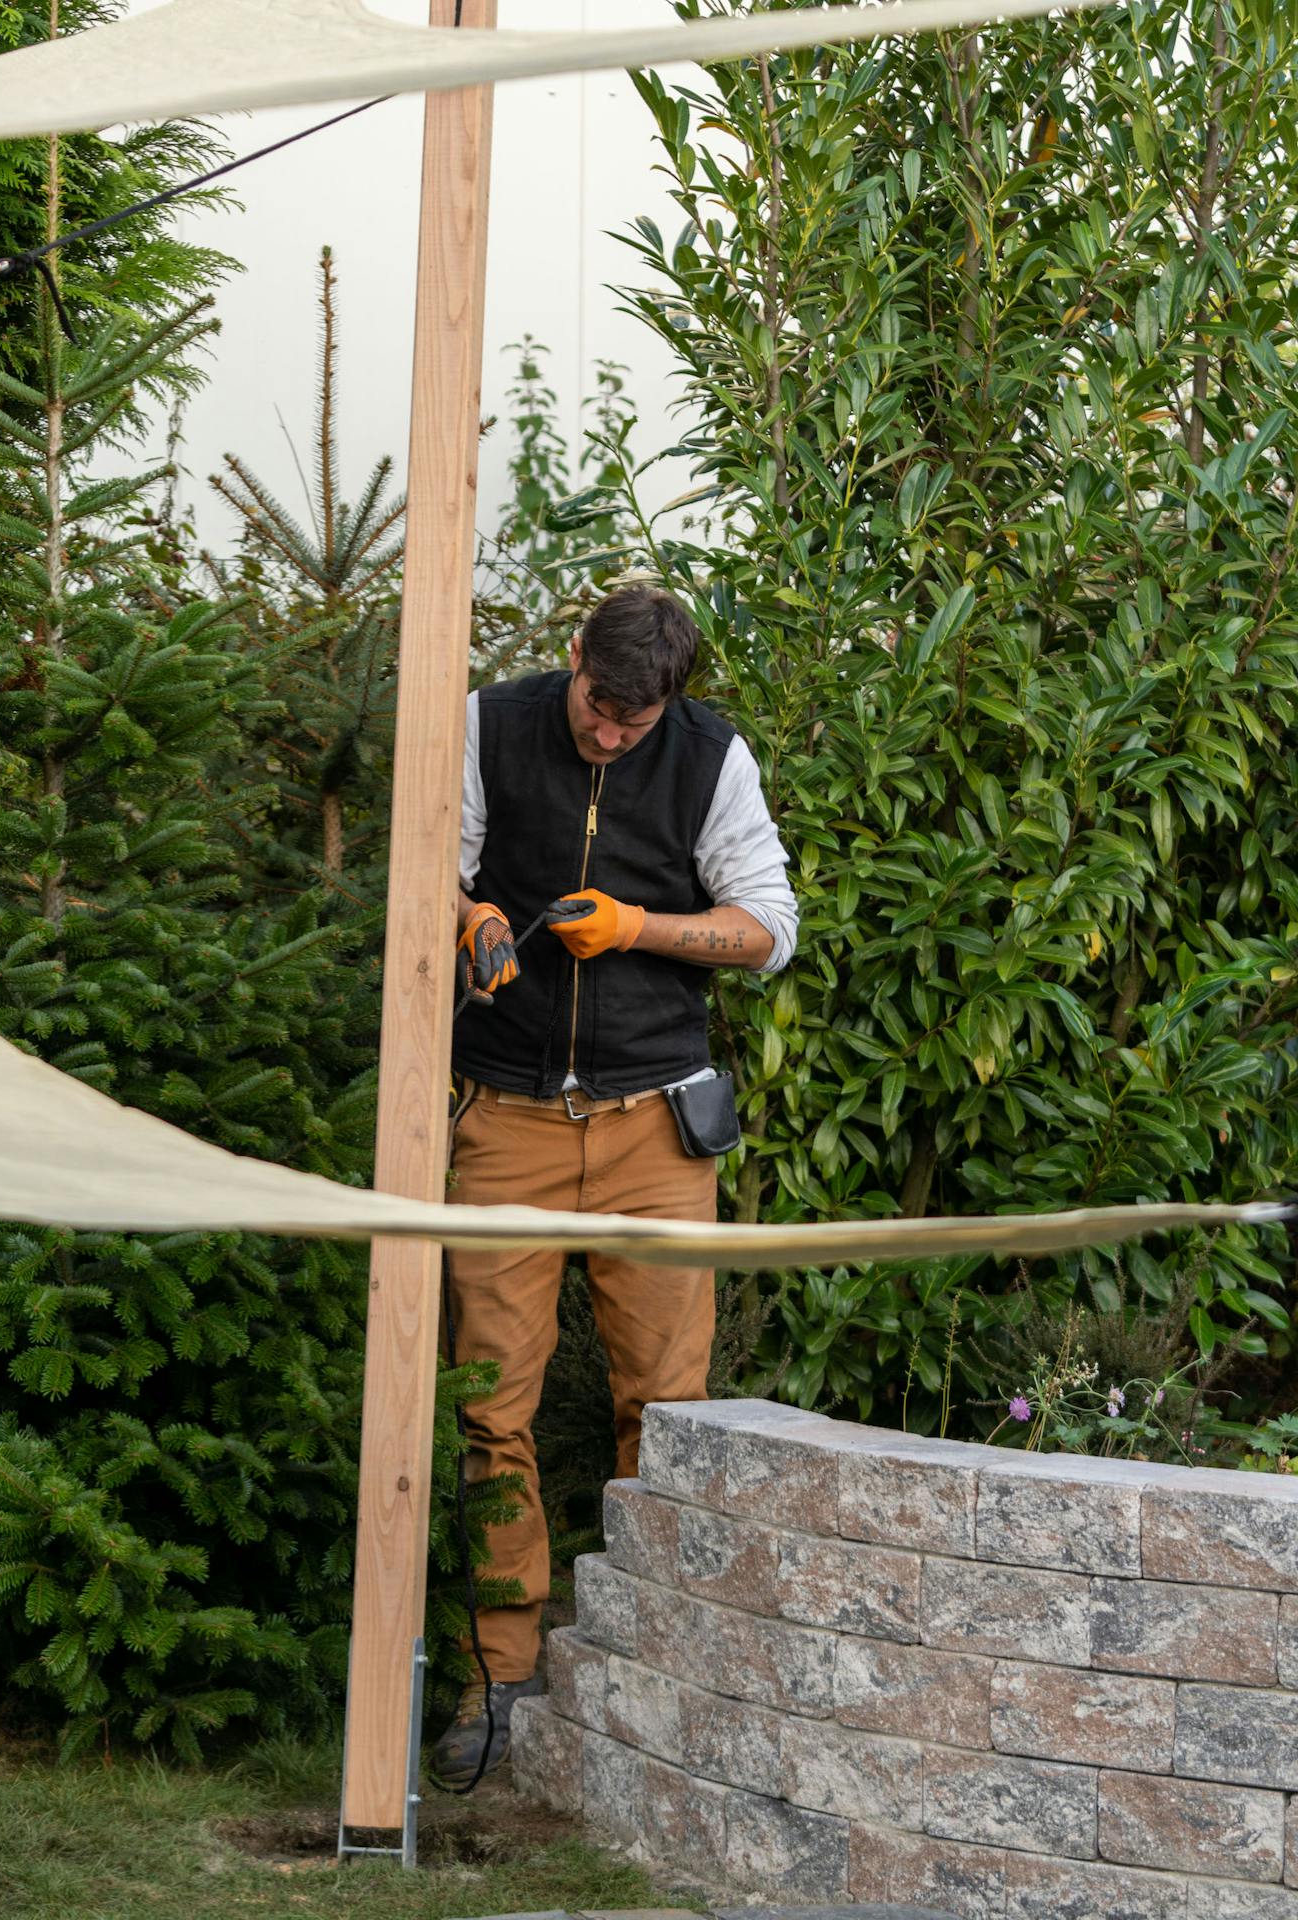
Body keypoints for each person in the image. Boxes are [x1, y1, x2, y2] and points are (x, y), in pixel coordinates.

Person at [432, 582, 799, 1788]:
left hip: (656, 1130)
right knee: (492, 1408)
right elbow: (429, 871)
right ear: (574, 654)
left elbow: (768, 928)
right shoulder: (488, 722)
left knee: (670, 1415)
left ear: (670, 702)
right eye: (596, 705)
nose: (606, 732)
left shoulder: (711, 756)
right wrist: (470, 915)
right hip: (506, 1117)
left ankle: (645, 1672)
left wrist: (639, 927)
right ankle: (497, 1675)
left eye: (632, 723)